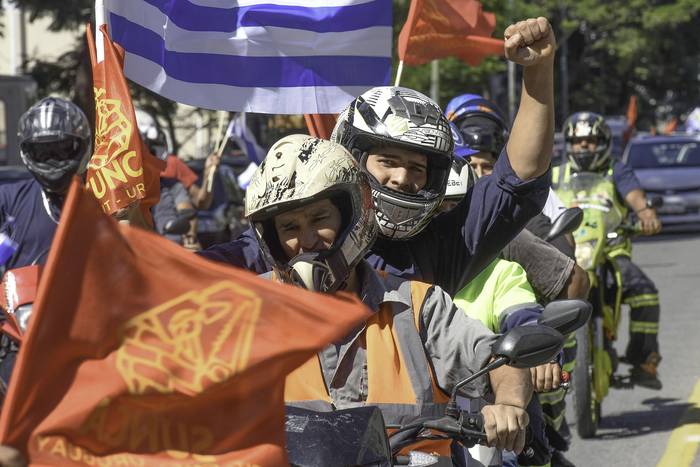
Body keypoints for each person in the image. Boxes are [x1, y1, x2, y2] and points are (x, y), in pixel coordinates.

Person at [201, 17, 557, 298]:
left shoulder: (444, 245)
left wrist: (538, 71)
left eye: (417, 167)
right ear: (352, 159)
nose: (402, 178)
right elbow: (186, 277)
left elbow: (518, 179)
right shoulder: (299, 234)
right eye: (388, 161)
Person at [246, 134, 533, 461]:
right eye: (289, 227)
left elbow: (494, 358)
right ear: (272, 239)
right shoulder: (247, 312)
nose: (307, 239)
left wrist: (508, 406)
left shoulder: (416, 306)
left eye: (319, 219)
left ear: (351, 217)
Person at [554, 111, 663, 390]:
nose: (584, 146)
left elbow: (635, 197)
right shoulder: (556, 173)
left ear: (602, 142)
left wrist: (645, 212)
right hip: (565, 251)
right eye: (578, 142)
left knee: (645, 293)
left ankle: (644, 360)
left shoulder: (616, 170)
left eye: (590, 140)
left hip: (611, 251)